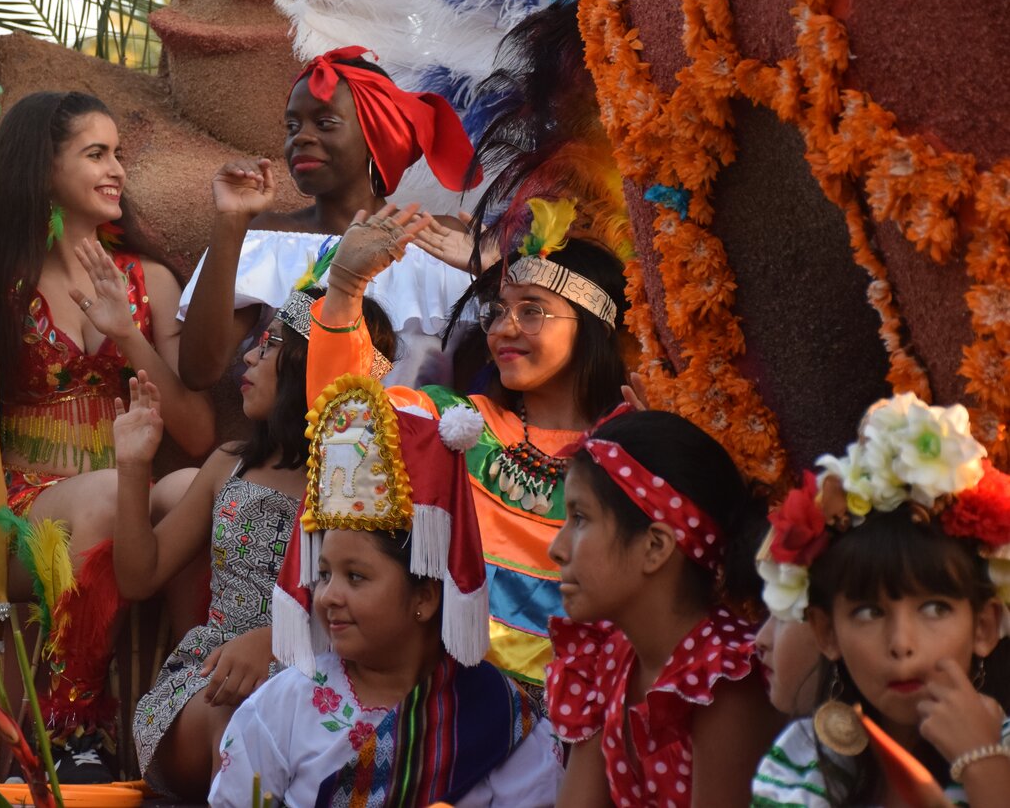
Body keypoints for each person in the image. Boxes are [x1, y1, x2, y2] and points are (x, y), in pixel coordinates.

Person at [299, 200, 630, 690]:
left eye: (532, 310)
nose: (504, 328)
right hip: (448, 713)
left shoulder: (626, 449)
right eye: (497, 311)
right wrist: (347, 287)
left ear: (595, 327)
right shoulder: (453, 421)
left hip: (579, 721)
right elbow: (344, 425)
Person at [0, 90, 215, 769]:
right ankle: (71, 728)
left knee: (201, 483)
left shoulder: (151, 281)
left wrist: (128, 336)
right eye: (96, 154)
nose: (116, 169)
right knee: (111, 493)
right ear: (44, 167)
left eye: (118, 154)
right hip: (16, 514)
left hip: (125, 491)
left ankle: (193, 693)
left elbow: (198, 433)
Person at [210, 374, 561, 807]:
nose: (328, 596)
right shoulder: (283, 706)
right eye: (324, 574)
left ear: (425, 598)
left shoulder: (498, 717)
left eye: (355, 577)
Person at [111, 286, 399, 801]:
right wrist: (133, 465)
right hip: (213, 683)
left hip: (327, 683)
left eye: (269, 345)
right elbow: (139, 576)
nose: (249, 355)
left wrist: (274, 643)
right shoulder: (231, 462)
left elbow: (381, 613)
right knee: (245, 729)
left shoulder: (365, 489)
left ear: (313, 366)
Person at [752, 394, 1010, 807]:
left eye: (934, 608)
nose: (901, 643)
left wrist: (982, 766)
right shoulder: (802, 768)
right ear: (826, 632)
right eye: (869, 612)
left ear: (983, 626)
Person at [177, 45, 482, 390]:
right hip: (297, 444)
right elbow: (198, 372)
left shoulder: (443, 243)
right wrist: (230, 222)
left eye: (324, 123)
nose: (301, 138)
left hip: (422, 443)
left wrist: (497, 273)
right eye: (292, 126)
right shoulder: (267, 238)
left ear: (376, 136)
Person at [541, 406, 781, 806]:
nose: (557, 549)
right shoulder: (611, 656)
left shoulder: (723, 683)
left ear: (655, 547)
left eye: (580, 518)